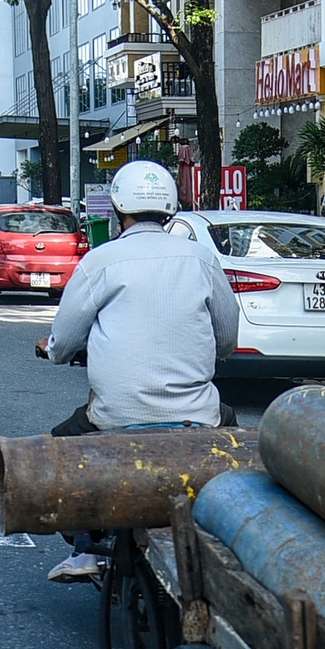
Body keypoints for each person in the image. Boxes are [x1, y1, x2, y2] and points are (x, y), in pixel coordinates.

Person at [34, 159, 240, 582]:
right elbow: (227, 338)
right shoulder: (201, 258)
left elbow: (63, 342)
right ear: (169, 210)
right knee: (232, 429)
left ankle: (86, 546)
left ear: (116, 210)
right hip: (196, 416)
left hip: (116, 417)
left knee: (63, 445)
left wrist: (50, 348)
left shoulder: (100, 261)